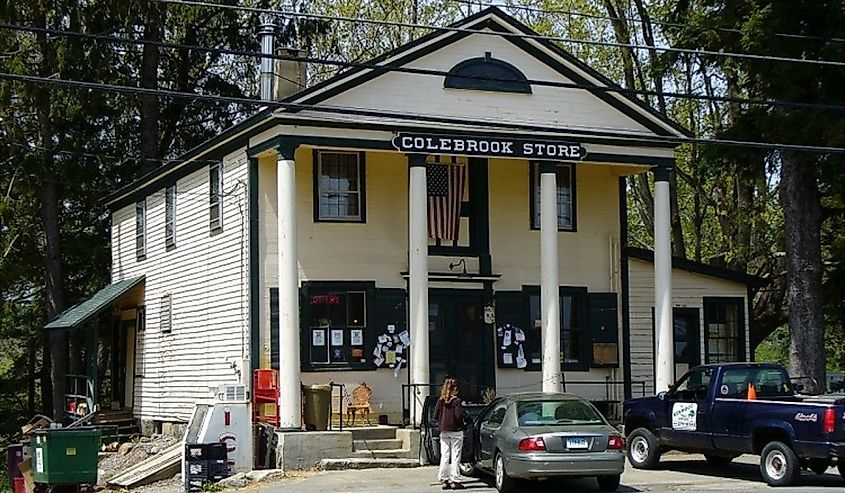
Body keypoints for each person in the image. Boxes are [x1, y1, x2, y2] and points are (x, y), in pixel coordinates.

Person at [435, 378, 468, 490]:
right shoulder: (456, 401)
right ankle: (455, 479)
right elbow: (459, 416)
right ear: (455, 390)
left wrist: (441, 422)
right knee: (456, 455)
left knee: (445, 455)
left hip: (444, 431)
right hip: (456, 431)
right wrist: (463, 423)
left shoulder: (441, 401)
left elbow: (435, 415)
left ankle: (444, 479)